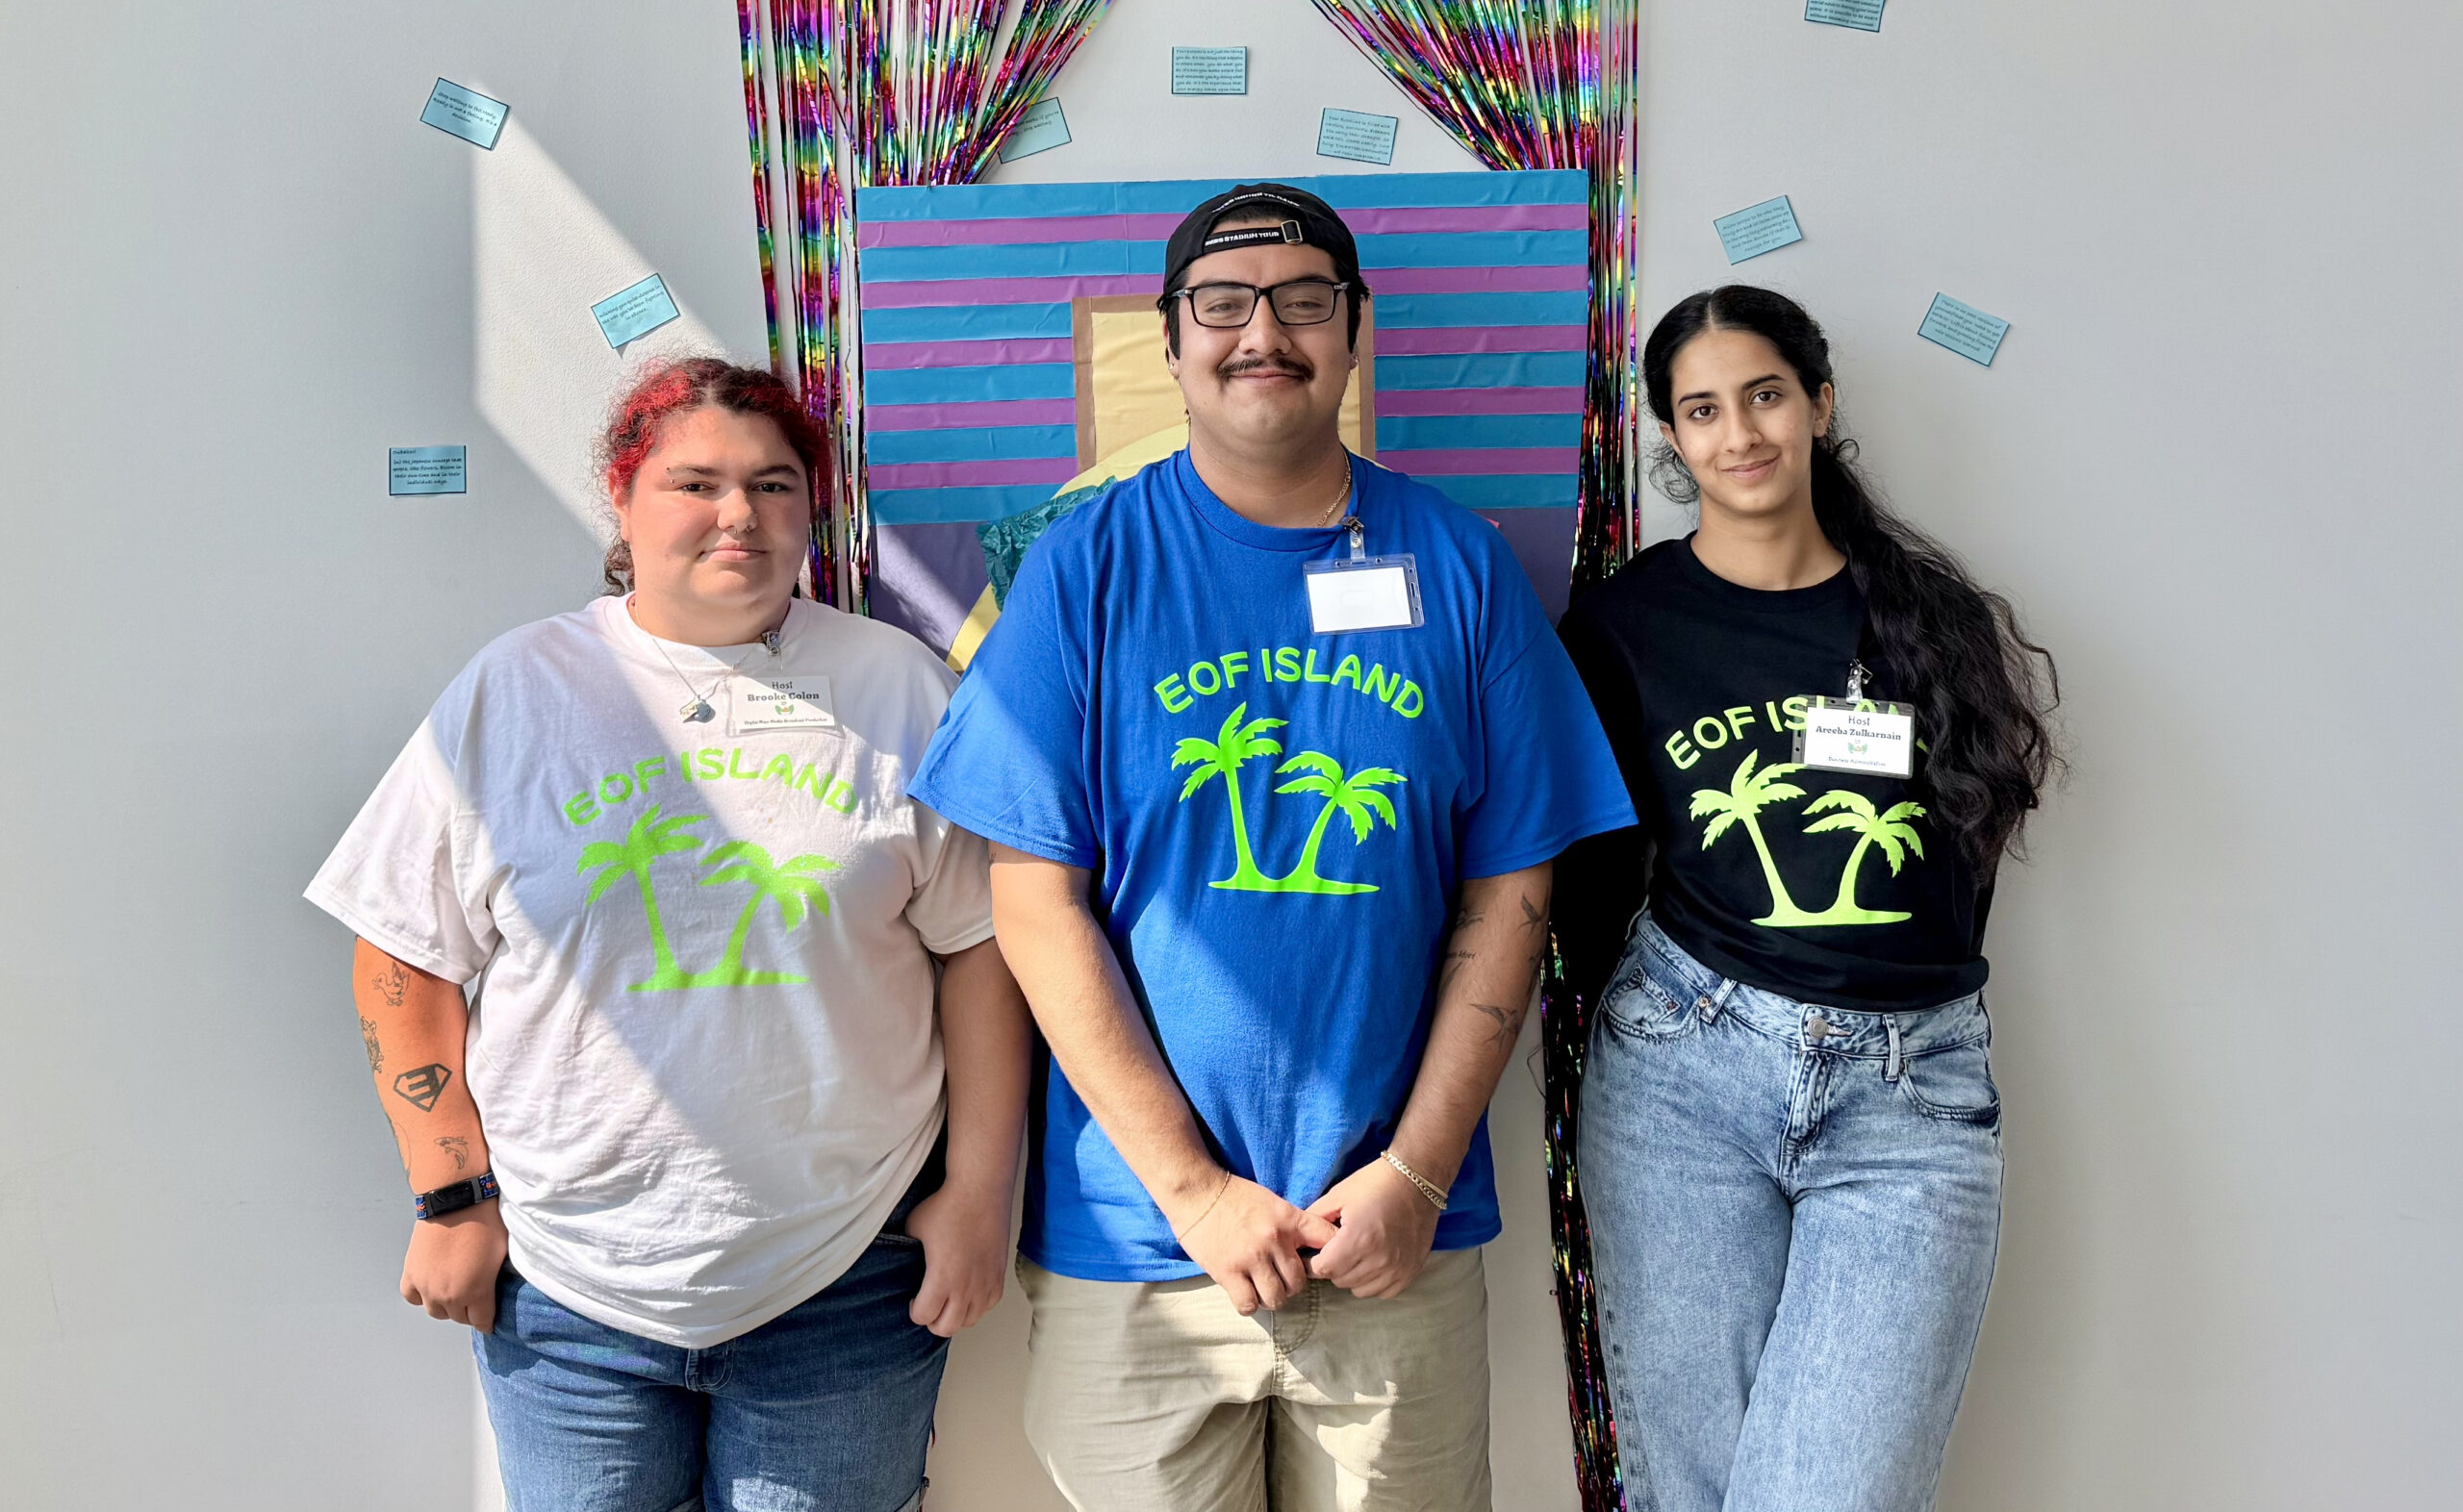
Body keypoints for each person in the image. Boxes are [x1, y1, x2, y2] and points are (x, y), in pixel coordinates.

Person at [909, 182, 1636, 1511]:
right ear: (1173, 341)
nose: (1265, 333)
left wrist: (1413, 1174)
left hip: (1394, 1242)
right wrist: (1192, 1190)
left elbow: (1514, 890)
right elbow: (1030, 901)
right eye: (1225, 304)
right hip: (1138, 1241)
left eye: (1305, 301)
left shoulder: (1462, 566)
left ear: (1354, 331)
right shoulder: (1086, 568)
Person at [307, 359, 1029, 1512]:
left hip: (846, 1277)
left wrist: (983, 1191)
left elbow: (982, 949)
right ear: (623, 495)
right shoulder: (516, 689)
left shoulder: (896, 687)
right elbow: (402, 948)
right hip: (565, 1291)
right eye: (696, 481)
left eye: (775, 484)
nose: (739, 513)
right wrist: (450, 1199)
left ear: (812, 507)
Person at [1555, 286, 2061, 1512]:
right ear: (1670, 437)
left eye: (1765, 394)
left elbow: (1961, 868)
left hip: (1910, 1095)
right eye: (1703, 409)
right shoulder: (1624, 625)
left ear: (1819, 403)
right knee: (1691, 1490)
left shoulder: (1926, 622)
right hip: (1680, 1077)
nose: (1740, 433)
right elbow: (1593, 876)